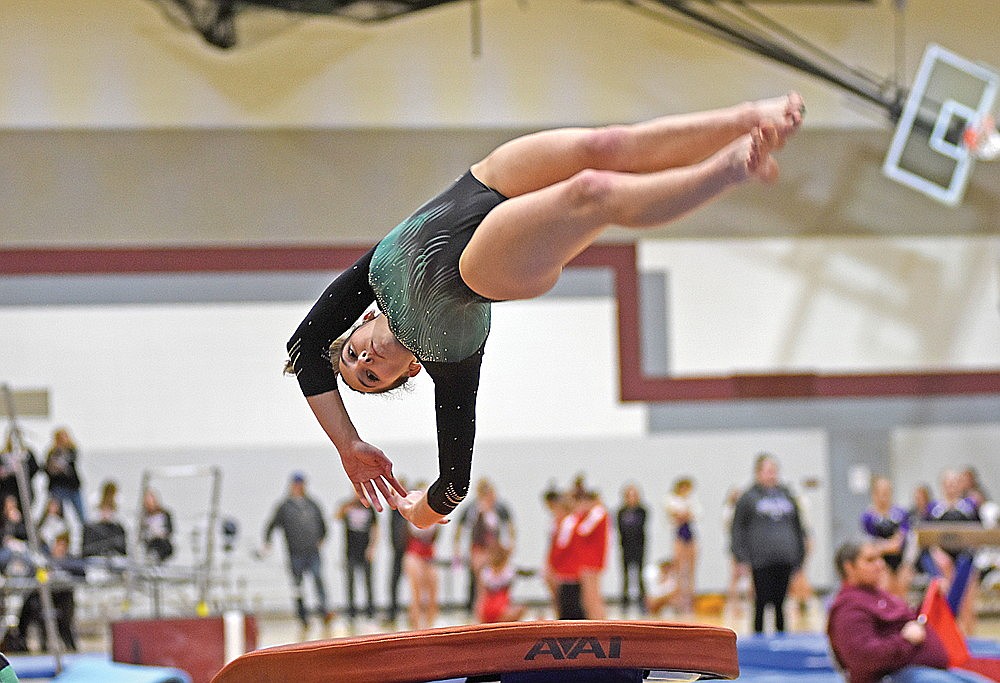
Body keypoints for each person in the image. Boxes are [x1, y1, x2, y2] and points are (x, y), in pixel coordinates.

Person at [284, 94, 806, 529]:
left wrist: (347, 443)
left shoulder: (372, 276)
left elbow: (304, 347)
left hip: (484, 183)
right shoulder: (448, 359)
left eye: (352, 354)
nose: (364, 359)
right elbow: (455, 483)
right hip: (486, 268)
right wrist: (416, 512)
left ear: (358, 323)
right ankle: (730, 167)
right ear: (410, 370)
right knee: (592, 192)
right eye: (372, 376)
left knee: (606, 147)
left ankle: (747, 120)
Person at [828, 540, 995, 683]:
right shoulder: (848, 608)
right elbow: (863, 657)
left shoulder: (877, 595)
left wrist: (928, 602)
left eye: (880, 558)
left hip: (924, 670)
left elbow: (908, 623)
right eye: (870, 560)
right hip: (895, 676)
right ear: (849, 567)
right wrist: (904, 640)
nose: (880, 565)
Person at [730, 452, 806, 634]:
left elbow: (798, 526)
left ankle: (782, 636)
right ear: (758, 472)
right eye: (768, 470)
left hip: (785, 556)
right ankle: (758, 638)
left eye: (774, 470)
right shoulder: (748, 498)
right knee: (761, 601)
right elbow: (738, 528)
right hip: (760, 559)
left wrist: (799, 554)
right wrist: (740, 556)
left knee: (781, 601)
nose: (772, 474)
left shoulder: (787, 495)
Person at [263, 472, 333, 636]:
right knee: (298, 586)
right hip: (295, 553)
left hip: (312, 551)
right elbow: (272, 524)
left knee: (318, 580)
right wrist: (268, 541)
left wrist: (321, 539)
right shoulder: (285, 506)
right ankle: (302, 616)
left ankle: (324, 611)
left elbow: (323, 525)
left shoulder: (312, 504)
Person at [13, 532, 85, 653]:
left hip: (62, 602)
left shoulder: (70, 561)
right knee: (33, 606)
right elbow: (32, 576)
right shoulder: (44, 561)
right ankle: (26, 643)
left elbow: (82, 575)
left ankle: (70, 646)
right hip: (43, 602)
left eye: (63, 546)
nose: (60, 548)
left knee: (63, 614)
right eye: (58, 545)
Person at [452, 479, 515, 614]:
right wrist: (457, 548)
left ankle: (499, 605)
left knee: (497, 577)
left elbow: (509, 525)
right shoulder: (473, 510)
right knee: (479, 580)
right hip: (479, 549)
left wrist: (511, 543)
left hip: (494, 549)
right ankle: (477, 608)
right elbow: (460, 528)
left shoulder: (499, 508)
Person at [862, 476, 913, 598]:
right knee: (885, 592)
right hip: (881, 563)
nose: (884, 495)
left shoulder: (901, 513)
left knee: (901, 595)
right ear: (874, 494)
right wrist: (886, 546)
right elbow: (872, 546)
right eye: (880, 492)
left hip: (901, 562)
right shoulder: (868, 517)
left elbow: (899, 544)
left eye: (887, 491)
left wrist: (907, 564)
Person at [336, 495, 379, 623]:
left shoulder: (369, 508)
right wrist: (345, 507)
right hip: (350, 551)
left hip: (365, 551)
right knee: (350, 583)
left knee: (368, 582)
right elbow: (337, 516)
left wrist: (372, 548)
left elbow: (375, 528)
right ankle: (351, 612)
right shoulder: (348, 506)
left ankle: (370, 611)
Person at [403, 493, 440, 630]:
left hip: (429, 554)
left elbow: (435, 536)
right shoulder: (412, 512)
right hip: (414, 553)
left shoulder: (435, 512)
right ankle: (416, 627)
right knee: (417, 592)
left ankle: (430, 626)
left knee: (433, 591)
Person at [666, 476, 700, 615]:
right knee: (679, 569)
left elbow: (696, 514)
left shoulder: (692, 500)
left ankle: (690, 599)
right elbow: (675, 515)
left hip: (690, 535)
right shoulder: (671, 499)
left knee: (691, 570)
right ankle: (679, 600)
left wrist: (687, 513)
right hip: (679, 535)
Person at [43, 428, 86, 527]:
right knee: (57, 515)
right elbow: (47, 469)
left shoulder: (72, 451)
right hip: (58, 487)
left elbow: (71, 461)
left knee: (82, 516)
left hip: (72, 487)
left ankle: (86, 534)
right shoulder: (52, 453)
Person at [616, 482, 647, 615]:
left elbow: (640, 528)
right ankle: (625, 603)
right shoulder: (621, 512)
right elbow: (621, 529)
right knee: (625, 577)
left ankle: (642, 603)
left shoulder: (642, 511)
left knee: (640, 576)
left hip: (639, 547)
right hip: (626, 547)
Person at [476, 541, 525, 624]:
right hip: (495, 608)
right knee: (520, 609)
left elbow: (481, 595)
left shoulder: (487, 573)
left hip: (499, 607)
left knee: (520, 609)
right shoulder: (489, 573)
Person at [140, 488, 174, 564]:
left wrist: (162, 533)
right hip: (151, 542)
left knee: (161, 544)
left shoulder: (164, 514)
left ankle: (157, 557)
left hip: (162, 541)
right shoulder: (144, 516)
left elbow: (170, 530)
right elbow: (142, 533)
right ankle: (153, 557)